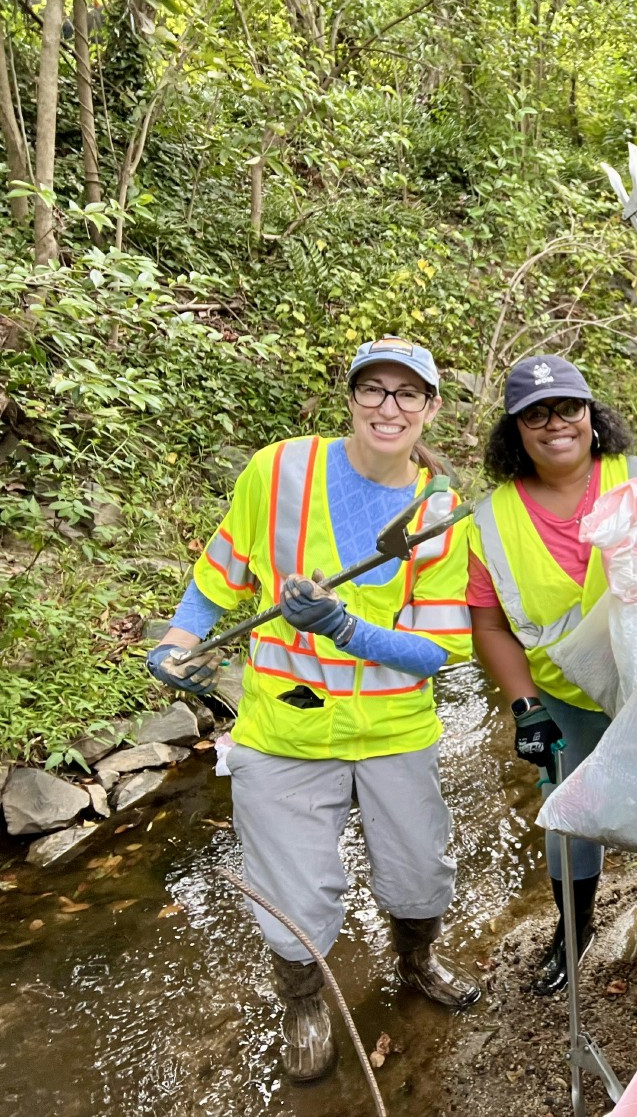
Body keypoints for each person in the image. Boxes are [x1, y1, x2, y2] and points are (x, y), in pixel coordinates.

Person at [145, 336, 480, 1083]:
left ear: (429, 409)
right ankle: (302, 1002)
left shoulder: (438, 511)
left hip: (395, 727)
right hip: (285, 726)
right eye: (373, 389)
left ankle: (417, 961)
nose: (387, 407)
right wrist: (179, 638)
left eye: (406, 394)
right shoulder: (279, 470)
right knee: (294, 891)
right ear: (352, 397)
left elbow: (441, 650)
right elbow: (219, 574)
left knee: (420, 870)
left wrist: (344, 629)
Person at [468, 354, 637, 998]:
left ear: (591, 415)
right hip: (563, 696)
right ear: (515, 429)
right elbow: (491, 625)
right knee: (573, 816)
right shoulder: (492, 518)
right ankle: (572, 934)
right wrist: (524, 706)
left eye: (569, 408)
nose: (556, 425)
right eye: (536, 414)